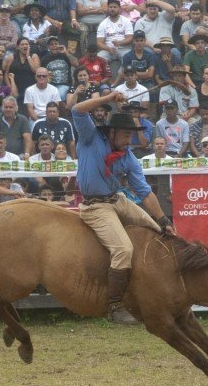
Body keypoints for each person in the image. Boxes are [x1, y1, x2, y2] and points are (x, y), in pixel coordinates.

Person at [71, 90, 174, 324]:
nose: (131, 140)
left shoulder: (128, 157)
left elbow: (145, 192)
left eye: (133, 135)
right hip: (95, 206)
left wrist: (163, 220)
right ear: (113, 132)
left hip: (116, 200)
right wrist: (107, 99)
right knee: (123, 250)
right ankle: (114, 305)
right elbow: (77, 110)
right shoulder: (91, 137)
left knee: (157, 232)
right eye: (127, 134)